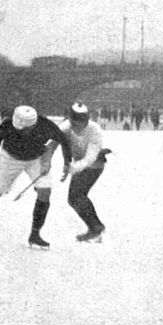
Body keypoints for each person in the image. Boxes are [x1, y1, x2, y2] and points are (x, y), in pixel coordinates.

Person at [0, 105, 71, 249]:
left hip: (35, 159)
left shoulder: (46, 126)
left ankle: (35, 234)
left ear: (32, 125)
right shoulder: (8, 124)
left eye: (23, 129)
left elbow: (63, 140)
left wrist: (67, 162)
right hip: (10, 159)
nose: (19, 130)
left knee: (45, 192)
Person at [51, 102, 111, 242]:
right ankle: (95, 227)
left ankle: (96, 228)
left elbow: (89, 158)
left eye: (79, 124)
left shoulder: (95, 130)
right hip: (78, 164)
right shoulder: (66, 126)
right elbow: (54, 142)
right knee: (74, 198)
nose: (76, 128)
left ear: (86, 121)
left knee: (77, 195)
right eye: (73, 123)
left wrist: (71, 168)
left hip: (95, 165)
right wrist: (46, 161)